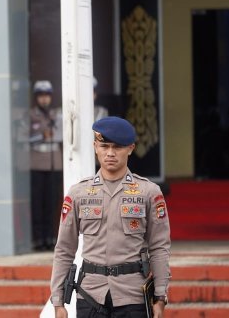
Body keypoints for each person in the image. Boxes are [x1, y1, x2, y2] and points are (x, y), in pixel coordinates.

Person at [50, 116, 171, 318]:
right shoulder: (78, 193)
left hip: (132, 295)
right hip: (90, 294)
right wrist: (58, 300)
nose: (110, 153)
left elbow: (159, 247)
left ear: (130, 148)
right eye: (104, 146)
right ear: (95, 147)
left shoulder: (149, 192)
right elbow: (64, 248)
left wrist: (160, 296)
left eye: (117, 147)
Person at [29, 80, 63, 251]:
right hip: (36, 163)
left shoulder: (57, 115)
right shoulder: (30, 116)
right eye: (41, 95)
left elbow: (63, 134)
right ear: (36, 97)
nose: (44, 99)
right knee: (37, 203)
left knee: (52, 203)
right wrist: (42, 136)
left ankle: (50, 238)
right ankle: (38, 240)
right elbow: (22, 138)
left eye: (47, 95)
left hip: (54, 163)